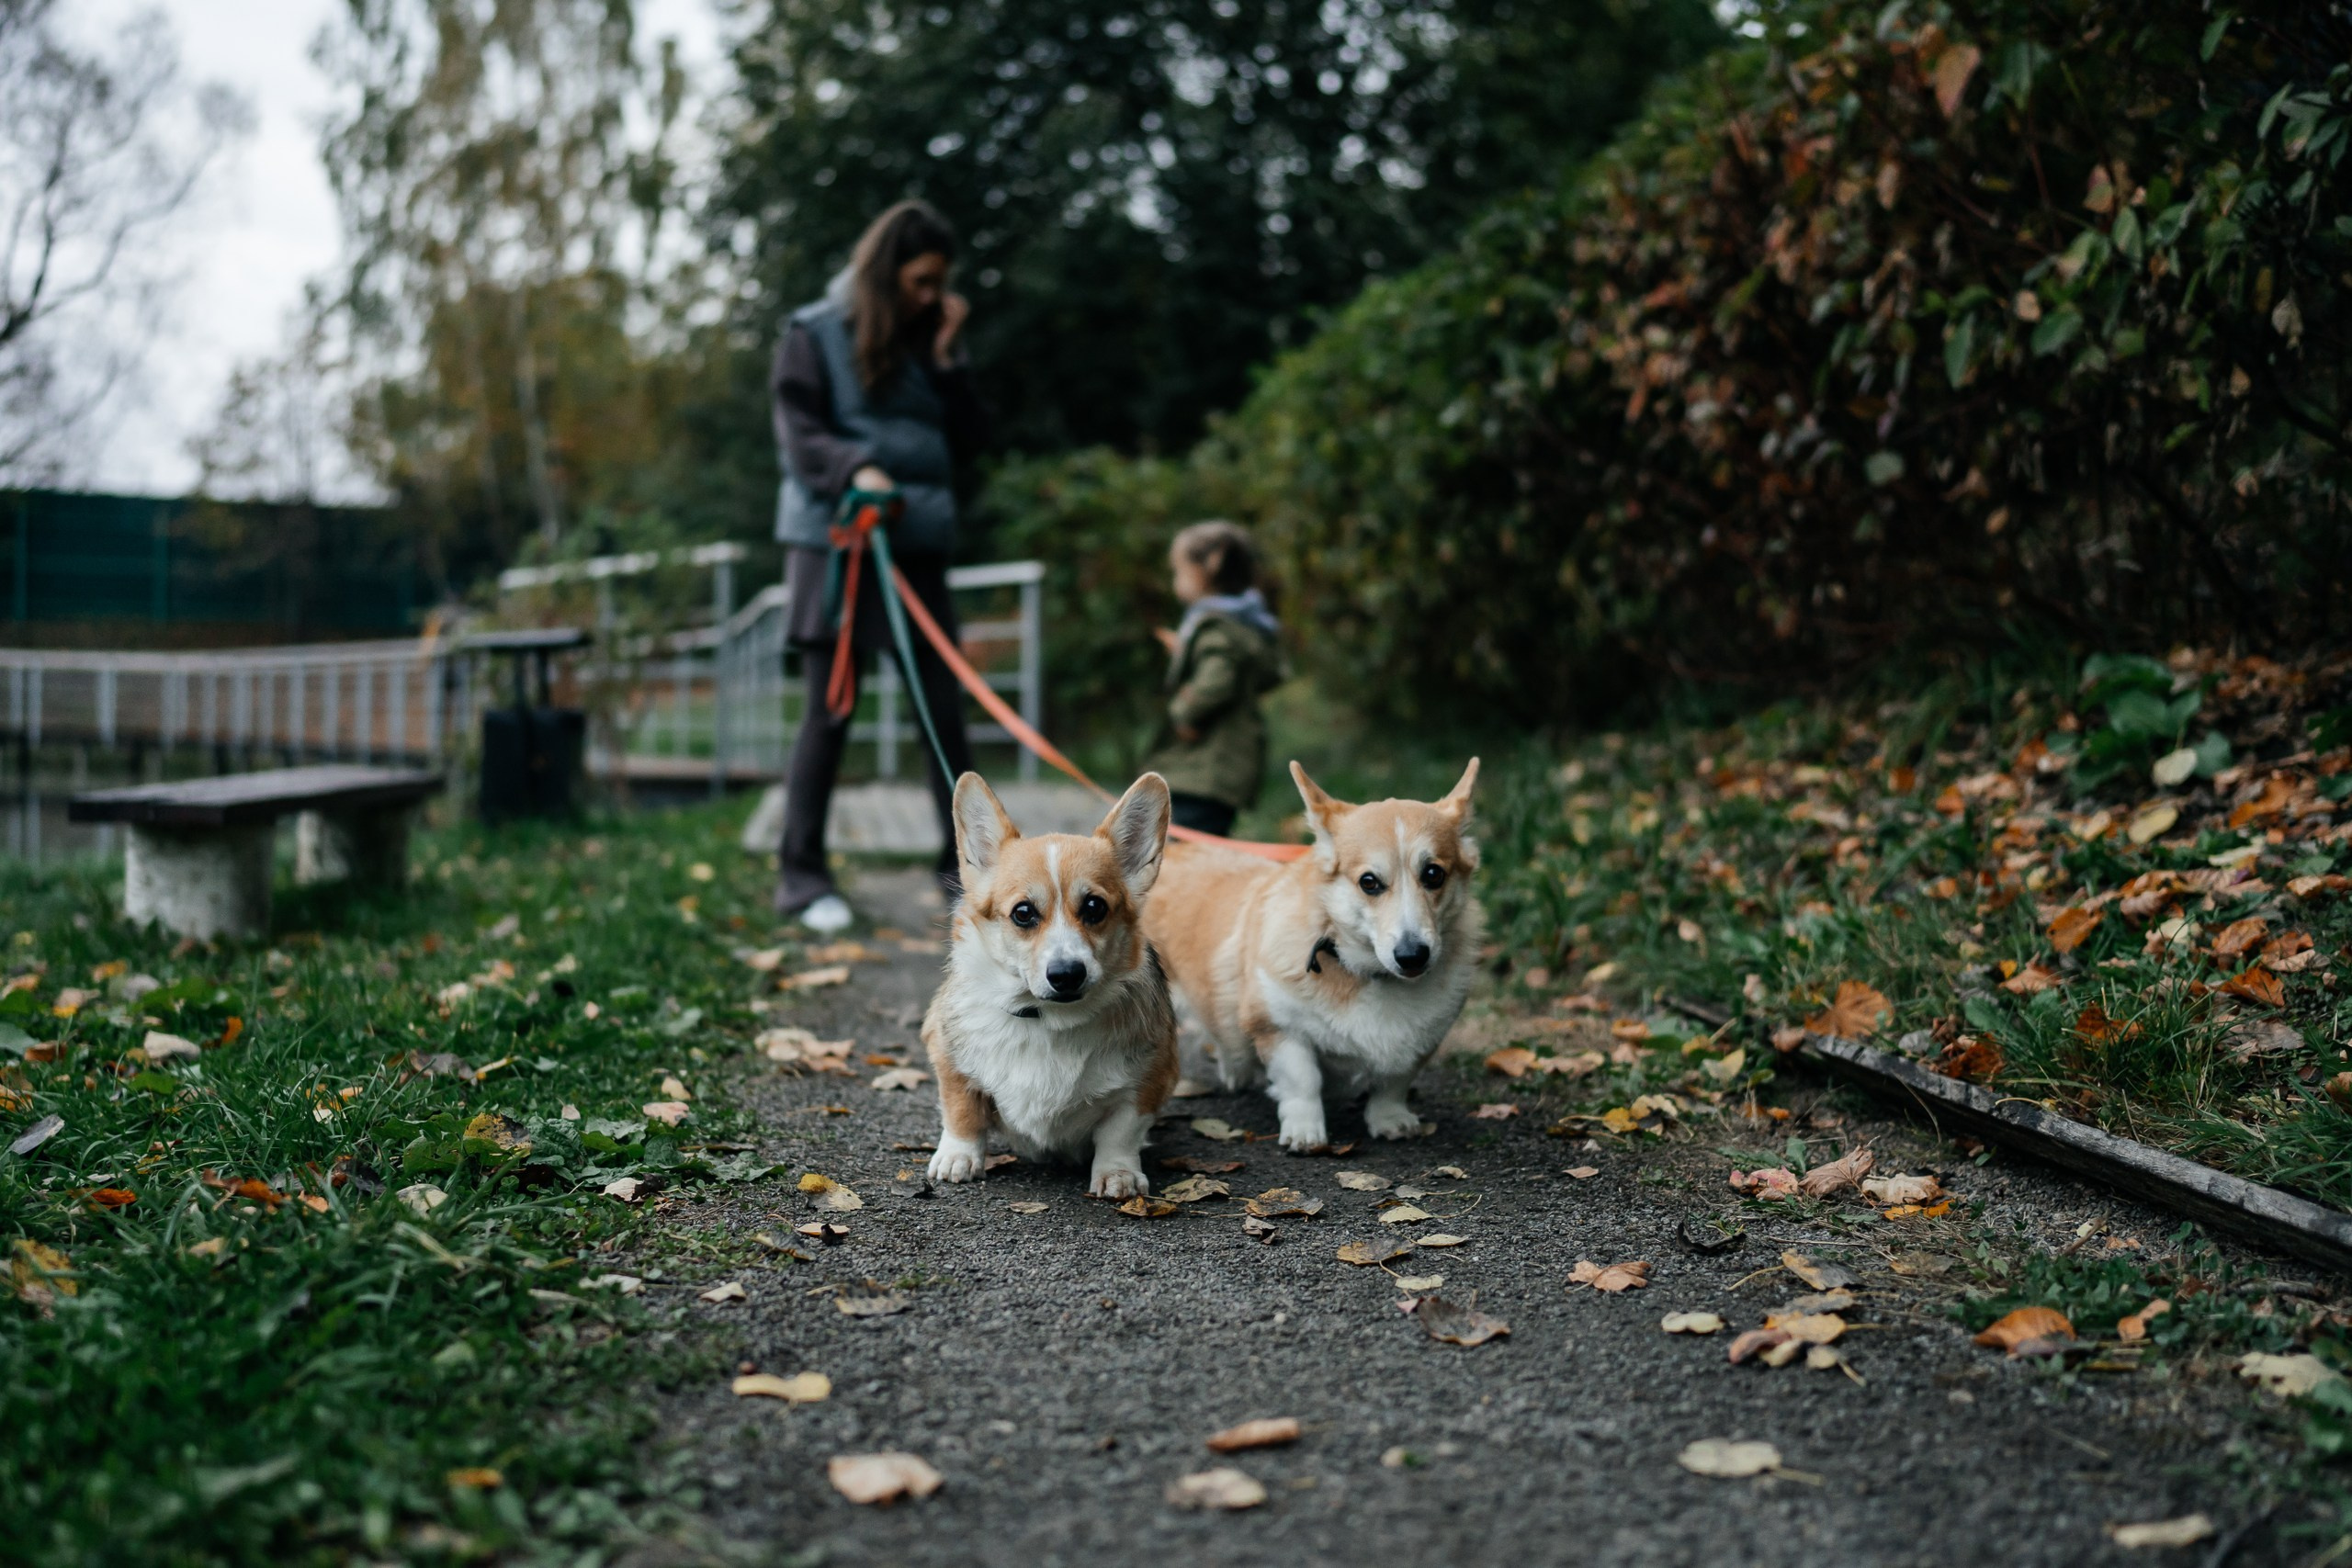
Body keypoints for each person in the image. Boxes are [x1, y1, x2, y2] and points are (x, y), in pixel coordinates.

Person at [771, 199, 985, 932]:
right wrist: (854, 466)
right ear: (883, 273)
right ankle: (802, 879)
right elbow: (799, 434)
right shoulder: (812, 333)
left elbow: (971, 438)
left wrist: (949, 357)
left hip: (917, 542)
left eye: (939, 284)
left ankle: (966, 875)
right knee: (829, 711)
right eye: (921, 282)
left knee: (942, 716)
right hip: (838, 543)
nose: (932, 297)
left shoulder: (931, 339)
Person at [1140, 521, 1283, 840]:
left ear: (1206, 570)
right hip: (1218, 768)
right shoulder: (1241, 623)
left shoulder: (1216, 628)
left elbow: (1217, 681)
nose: (1175, 581)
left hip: (1206, 767)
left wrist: (1184, 714)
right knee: (1199, 842)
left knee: (1188, 846)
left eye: (1179, 571)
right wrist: (1186, 651)